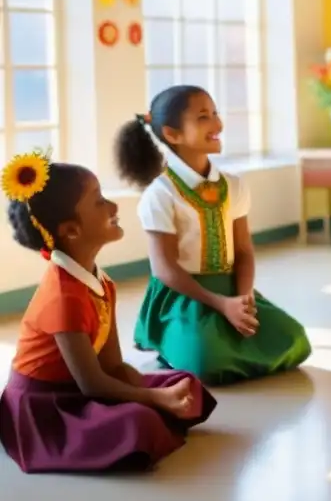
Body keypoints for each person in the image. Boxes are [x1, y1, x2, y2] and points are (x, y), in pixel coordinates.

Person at [0, 149, 215, 473]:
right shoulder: (63, 295)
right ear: (71, 230)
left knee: (187, 383)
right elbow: (93, 385)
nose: (114, 206)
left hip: (83, 389)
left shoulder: (101, 283)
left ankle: (157, 410)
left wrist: (154, 389)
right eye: (99, 201)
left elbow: (112, 366)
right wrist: (156, 399)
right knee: (140, 422)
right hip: (46, 407)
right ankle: (149, 419)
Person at [115, 85, 311, 385]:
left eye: (215, 113)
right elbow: (164, 269)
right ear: (172, 134)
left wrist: (242, 298)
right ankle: (173, 342)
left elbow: (243, 251)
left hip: (233, 287)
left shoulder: (234, 185)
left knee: (295, 339)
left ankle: (204, 338)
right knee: (206, 361)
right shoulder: (161, 194)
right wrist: (220, 305)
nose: (217, 124)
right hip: (184, 294)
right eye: (203, 117)